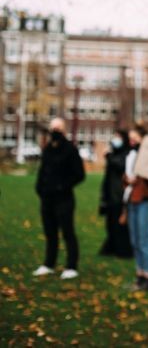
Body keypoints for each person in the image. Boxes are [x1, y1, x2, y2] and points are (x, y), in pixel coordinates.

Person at [33, 118, 86, 279]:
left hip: (64, 199)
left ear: (63, 130)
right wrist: (39, 188)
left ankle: (71, 265)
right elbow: (42, 171)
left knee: (67, 232)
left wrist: (62, 186)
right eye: (52, 128)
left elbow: (79, 175)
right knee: (50, 232)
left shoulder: (70, 149)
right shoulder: (48, 149)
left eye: (58, 128)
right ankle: (49, 263)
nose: (55, 131)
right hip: (47, 198)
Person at [123, 125, 148, 291]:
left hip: (146, 200)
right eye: (130, 139)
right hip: (132, 199)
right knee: (135, 239)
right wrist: (127, 179)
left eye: (134, 138)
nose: (132, 142)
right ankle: (140, 273)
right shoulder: (131, 155)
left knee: (144, 239)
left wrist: (140, 179)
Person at [99, 129, 133, 258]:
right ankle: (111, 247)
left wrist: (108, 156)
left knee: (120, 224)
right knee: (110, 224)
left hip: (119, 195)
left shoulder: (126, 154)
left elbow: (120, 166)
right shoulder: (115, 153)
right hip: (110, 195)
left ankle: (122, 250)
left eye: (118, 137)